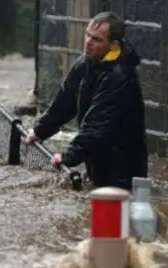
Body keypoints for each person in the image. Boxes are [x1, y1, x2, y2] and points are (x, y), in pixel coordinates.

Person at [26, 11, 148, 191]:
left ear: (113, 45)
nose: (89, 42)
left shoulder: (120, 76)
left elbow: (97, 124)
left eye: (97, 39)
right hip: (97, 158)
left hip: (122, 167)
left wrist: (68, 156)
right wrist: (40, 130)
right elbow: (65, 101)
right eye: (88, 35)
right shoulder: (86, 62)